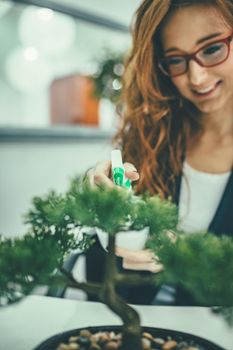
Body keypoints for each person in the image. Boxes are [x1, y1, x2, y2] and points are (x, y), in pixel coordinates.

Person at [86, 0, 233, 305]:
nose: (197, 78)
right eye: (176, 60)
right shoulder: (155, 135)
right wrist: (98, 203)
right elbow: (103, 271)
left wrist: (187, 257)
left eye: (212, 49)